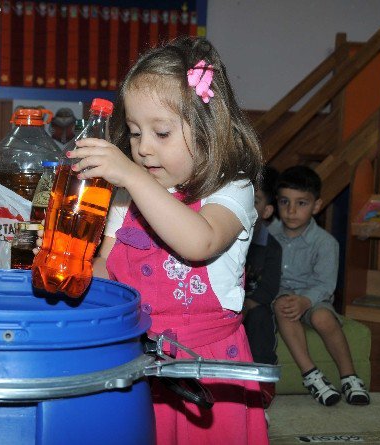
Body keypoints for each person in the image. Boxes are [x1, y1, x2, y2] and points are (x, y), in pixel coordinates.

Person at [71, 36, 268, 444]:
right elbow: (106, 269)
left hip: (207, 370)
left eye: (161, 132)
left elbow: (199, 242)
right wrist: (67, 268)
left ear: (208, 130)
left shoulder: (232, 190)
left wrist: (132, 177)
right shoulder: (129, 194)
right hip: (139, 357)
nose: (142, 149)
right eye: (134, 131)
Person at [268, 165, 370, 407]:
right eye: (285, 202)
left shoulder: (325, 243)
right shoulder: (268, 234)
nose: (291, 211)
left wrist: (306, 301)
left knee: (323, 318)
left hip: (314, 297)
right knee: (284, 306)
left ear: (316, 206)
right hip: (281, 296)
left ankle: (350, 377)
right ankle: (311, 375)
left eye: (301, 203)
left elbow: (325, 284)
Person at [243, 165, 282, 409]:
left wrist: (245, 306)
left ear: (266, 210)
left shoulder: (271, 246)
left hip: (252, 305)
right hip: (225, 306)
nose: (246, 205)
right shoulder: (226, 235)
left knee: (260, 318)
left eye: (254, 200)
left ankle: (263, 383)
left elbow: (268, 289)